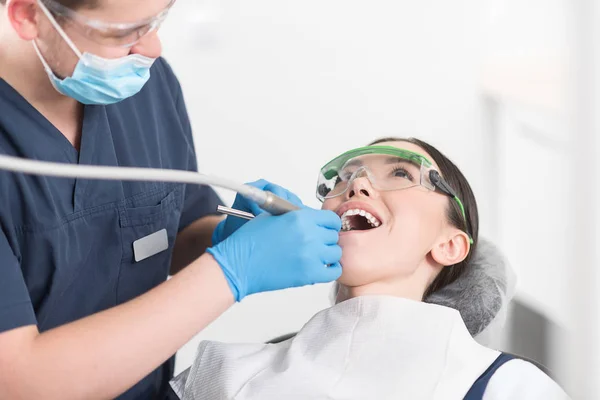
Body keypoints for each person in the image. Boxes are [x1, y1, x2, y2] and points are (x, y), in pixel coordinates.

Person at [0, 1, 343, 399]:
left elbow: (173, 227)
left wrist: (225, 238)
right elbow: (19, 380)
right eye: (124, 32)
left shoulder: (143, 84)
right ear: (28, 15)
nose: (153, 48)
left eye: (157, 20)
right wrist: (232, 271)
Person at [170, 138, 570, 400]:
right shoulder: (220, 373)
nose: (355, 186)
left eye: (401, 173)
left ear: (450, 245)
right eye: (342, 178)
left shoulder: (510, 389)